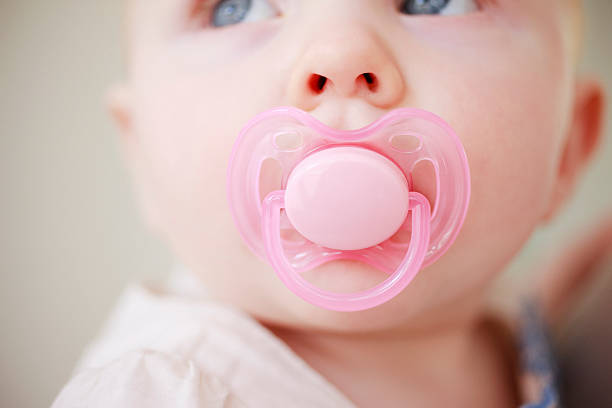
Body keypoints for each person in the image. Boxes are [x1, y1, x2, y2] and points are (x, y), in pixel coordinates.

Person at [52, 0, 607, 406]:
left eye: (434, 2)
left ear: (565, 151)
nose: (341, 56)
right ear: (142, 156)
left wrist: (554, 316)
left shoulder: (511, 323)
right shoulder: (159, 392)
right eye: (236, 9)